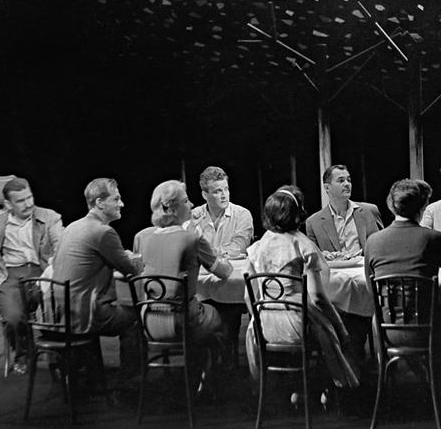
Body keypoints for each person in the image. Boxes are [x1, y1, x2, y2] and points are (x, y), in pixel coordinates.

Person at [245, 185, 359, 390]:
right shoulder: (302, 244)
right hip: (297, 325)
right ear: (298, 213)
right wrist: (341, 328)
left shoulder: (258, 246)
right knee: (338, 325)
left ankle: (291, 387)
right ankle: (328, 390)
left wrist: (262, 317)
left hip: (263, 326)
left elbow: (248, 296)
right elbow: (318, 298)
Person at [133, 180, 233, 397]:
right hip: (182, 322)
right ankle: (215, 383)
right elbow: (224, 272)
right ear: (172, 208)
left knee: (199, 311)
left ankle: (189, 375)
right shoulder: (192, 238)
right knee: (225, 316)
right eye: (186, 201)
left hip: (149, 321)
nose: (191, 205)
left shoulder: (143, 237)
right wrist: (226, 260)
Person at [365, 178, 441, 384]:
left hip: (386, 330)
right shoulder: (434, 238)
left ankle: (410, 382)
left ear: (391, 205)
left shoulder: (373, 241)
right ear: (422, 207)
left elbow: (370, 288)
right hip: (427, 329)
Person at [0, 177, 63, 374]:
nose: (28, 204)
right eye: (21, 201)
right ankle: (23, 354)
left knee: (54, 310)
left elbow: (60, 244)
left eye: (30, 197)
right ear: (8, 204)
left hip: (42, 271)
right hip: (10, 276)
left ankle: (57, 356)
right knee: (12, 317)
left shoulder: (49, 217)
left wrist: (54, 265)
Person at [54, 178, 144, 377]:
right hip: (86, 314)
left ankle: (92, 375)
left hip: (62, 313)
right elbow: (132, 270)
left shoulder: (72, 227)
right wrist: (134, 258)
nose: (122, 204)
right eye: (116, 199)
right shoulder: (103, 232)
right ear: (100, 203)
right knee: (136, 318)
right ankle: (130, 382)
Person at [305, 164, 384, 367]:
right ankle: (343, 359)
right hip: (333, 283)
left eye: (348, 179)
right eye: (341, 180)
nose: (347, 184)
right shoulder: (314, 222)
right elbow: (314, 257)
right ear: (327, 187)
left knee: (358, 315)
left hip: (362, 277)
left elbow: (379, 247)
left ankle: (352, 358)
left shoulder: (368, 211)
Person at [186, 166, 254, 370]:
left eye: (226, 189)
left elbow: (238, 247)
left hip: (229, 283)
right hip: (202, 287)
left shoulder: (242, 214)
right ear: (205, 194)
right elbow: (186, 245)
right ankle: (208, 366)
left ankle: (226, 365)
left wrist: (204, 251)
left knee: (227, 314)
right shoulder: (194, 216)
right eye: (217, 191)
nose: (224, 195)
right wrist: (195, 236)